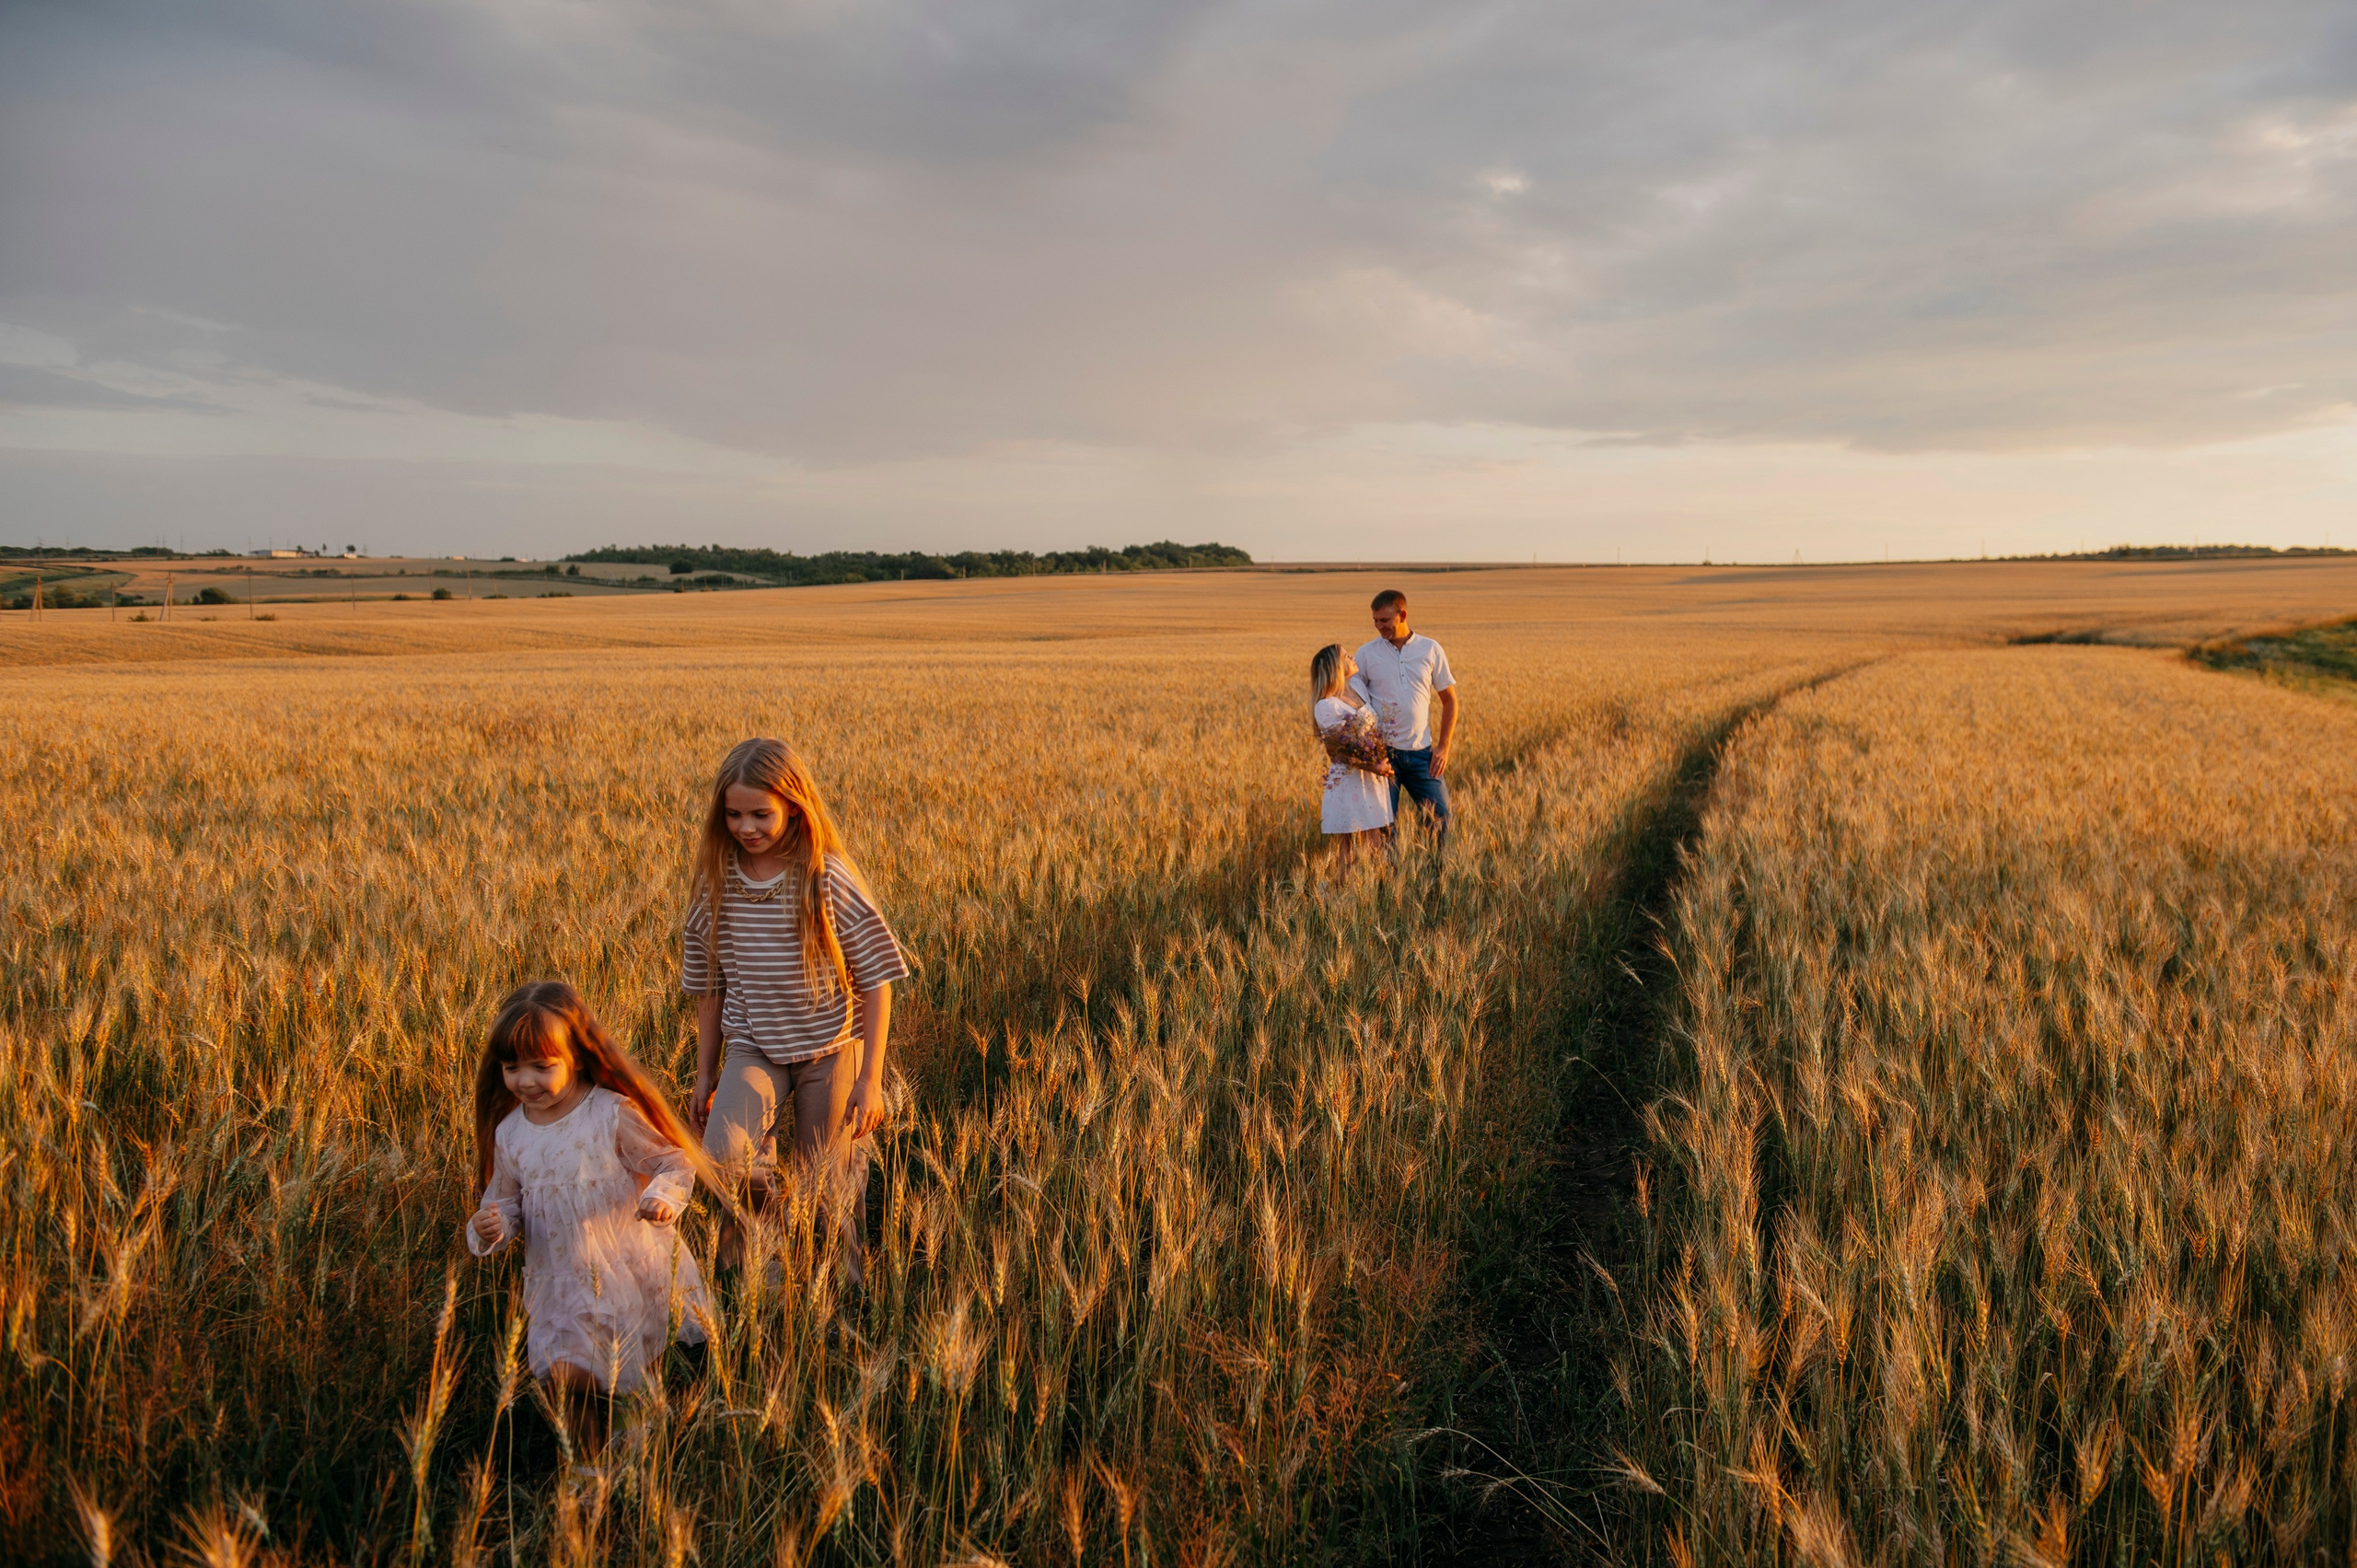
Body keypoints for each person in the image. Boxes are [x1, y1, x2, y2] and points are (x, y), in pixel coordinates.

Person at [684, 738, 911, 1284]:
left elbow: (877, 977)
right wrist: (705, 1072)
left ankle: (840, 1302)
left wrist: (871, 1078)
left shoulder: (824, 876)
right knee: (722, 1160)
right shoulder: (717, 884)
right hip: (753, 1046)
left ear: (795, 806)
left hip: (830, 1050)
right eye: (734, 814)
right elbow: (710, 987)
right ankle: (762, 1278)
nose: (746, 827)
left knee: (827, 1187)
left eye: (761, 814)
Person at [465, 980, 721, 1459]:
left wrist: (664, 1197)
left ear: (577, 1057)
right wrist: (491, 1224)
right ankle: (591, 1472)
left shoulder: (609, 1113)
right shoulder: (510, 1134)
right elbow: (504, 1203)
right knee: (562, 1382)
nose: (524, 1081)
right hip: (557, 1280)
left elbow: (674, 1159)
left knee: (617, 1379)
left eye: (541, 1066)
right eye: (511, 1068)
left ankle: (638, 1439)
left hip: (624, 1269)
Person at [1353, 588, 1458, 851]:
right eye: (1375, 621)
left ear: (1402, 615)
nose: (1379, 626)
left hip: (1423, 755)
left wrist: (1444, 746)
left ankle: (1436, 885)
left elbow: (1450, 700)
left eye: (1384, 620)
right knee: (1385, 829)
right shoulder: (1366, 654)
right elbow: (1353, 701)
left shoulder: (1430, 649)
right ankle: (1392, 888)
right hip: (1384, 756)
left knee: (1441, 821)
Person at [1309, 643, 1393, 866]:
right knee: (1345, 853)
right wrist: (1374, 766)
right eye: (1346, 656)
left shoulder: (1357, 688)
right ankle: (1341, 897)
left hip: (1371, 780)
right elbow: (1338, 751)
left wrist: (1378, 757)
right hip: (1347, 781)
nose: (1352, 656)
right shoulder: (1326, 706)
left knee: (1375, 846)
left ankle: (1373, 895)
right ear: (1335, 667)